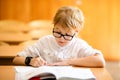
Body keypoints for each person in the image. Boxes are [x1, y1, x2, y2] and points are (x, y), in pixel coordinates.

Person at [13, 6, 105, 67]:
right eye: (57, 32)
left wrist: (69, 62)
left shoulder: (79, 45)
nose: (61, 38)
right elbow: (16, 60)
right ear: (54, 26)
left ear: (76, 32)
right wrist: (30, 61)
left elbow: (100, 61)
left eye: (68, 35)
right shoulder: (45, 42)